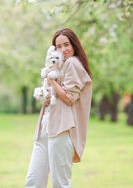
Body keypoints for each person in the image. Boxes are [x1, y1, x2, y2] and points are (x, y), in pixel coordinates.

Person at [25, 28, 93, 188]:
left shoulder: (73, 63)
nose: (63, 50)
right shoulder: (58, 65)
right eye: (58, 46)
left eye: (66, 45)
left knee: (60, 184)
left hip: (62, 130)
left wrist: (52, 81)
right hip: (45, 128)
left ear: (74, 45)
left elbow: (69, 98)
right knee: (33, 181)